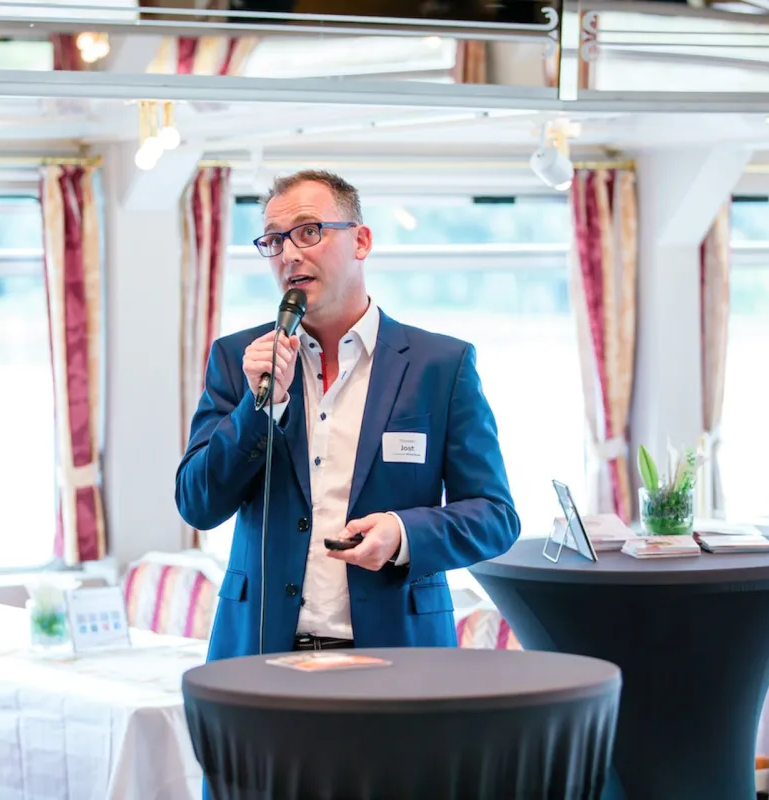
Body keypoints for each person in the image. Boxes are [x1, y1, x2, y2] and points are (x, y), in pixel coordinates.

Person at [175, 169, 521, 661]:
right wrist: (262, 407)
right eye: (274, 241)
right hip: (260, 656)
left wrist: (403, 534)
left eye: (308, 232)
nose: (289, 254)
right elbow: (197, 504)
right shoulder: (240, 360)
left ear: (360, 241)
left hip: (399, 656)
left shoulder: (440, 366)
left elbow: (495, 517)